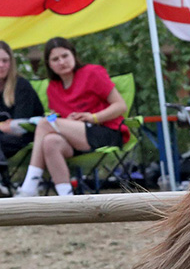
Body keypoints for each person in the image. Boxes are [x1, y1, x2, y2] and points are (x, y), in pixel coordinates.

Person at [16, 37, 129, 197]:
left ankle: (29, 186)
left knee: (44, 123)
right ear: (49, 64)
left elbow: (120, 106)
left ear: (74, 55)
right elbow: (61, 120)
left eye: (65, 56)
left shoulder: (92, 73)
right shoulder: (53, 88)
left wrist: (93, 117)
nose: (61, 62)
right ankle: (67, 198)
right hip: (78, 138)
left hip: (105, 132)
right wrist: (66, 121)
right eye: (55, 59)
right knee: (50, 142)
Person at [0, 40, 45, 162]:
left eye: (5, 61)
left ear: (11, 63)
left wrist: (8, 126)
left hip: (27, 138)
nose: (1, 65)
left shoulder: (21, 85)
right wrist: (4, 125)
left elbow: (18, 127)